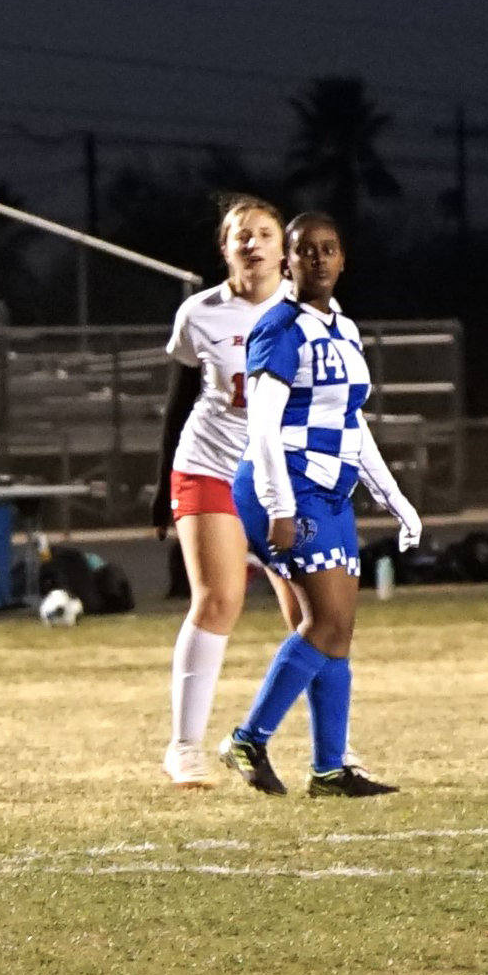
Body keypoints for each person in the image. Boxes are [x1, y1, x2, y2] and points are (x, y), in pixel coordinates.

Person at [222, 213, 419, 798]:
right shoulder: (278, 327)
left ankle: (330, 769)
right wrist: (279, 505)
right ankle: (247, 738)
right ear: (289, 262)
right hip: (286, 485)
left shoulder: (346, 330)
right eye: (306, 251)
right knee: (324, 622)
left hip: (330, 491)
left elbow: (352, 424)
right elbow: (261, 427)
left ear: (343, 260)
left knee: (339, 632)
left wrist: (396, 498)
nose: (318, 260)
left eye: (328, 250)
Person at [151, 194, 289, 789]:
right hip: (209, 465)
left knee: (313, 614)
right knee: (218, 601)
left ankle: (333, 746)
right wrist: (162, 485)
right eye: (242, 235)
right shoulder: (200, 312)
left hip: (281, 474)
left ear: (285, 249)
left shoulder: (311, 313)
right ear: (225, 246)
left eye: (265, 233)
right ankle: (184, 747)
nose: (253, 244)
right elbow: (179, 400)